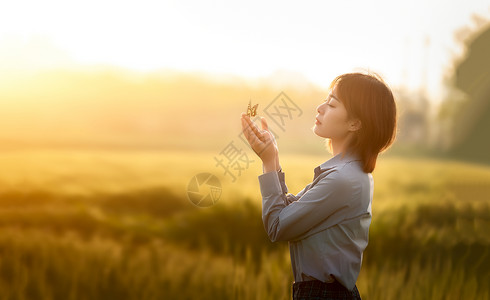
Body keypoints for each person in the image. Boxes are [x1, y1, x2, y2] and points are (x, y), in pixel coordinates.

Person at [240, 72, 397, 300]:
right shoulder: (346, 174)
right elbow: (288, 211)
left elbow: (277, 225)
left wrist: (267, 162)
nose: (320, 108)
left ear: (355, 123)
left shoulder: (343, 180)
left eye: (332, 104)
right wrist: (272, 157)